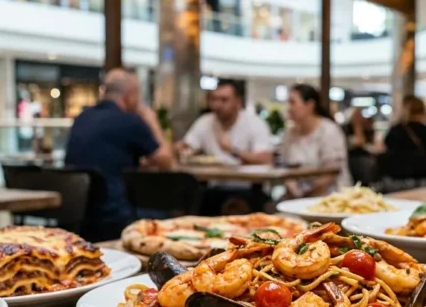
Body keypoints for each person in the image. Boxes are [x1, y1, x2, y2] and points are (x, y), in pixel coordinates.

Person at [64, 67, 174, 231]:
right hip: (115, 217)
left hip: (77, 214)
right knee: (172, 211)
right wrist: (152, 120)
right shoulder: (130, 121)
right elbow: (167, 162)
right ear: (129, 96)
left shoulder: (82, 117)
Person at [279, 84, 352, 199]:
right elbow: (285, 168)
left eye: (293, 102)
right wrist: (294, 191)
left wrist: (306, 196)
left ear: (310, 105)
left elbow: (331, 173)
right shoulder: (289, 134)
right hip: (296, 198)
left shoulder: (329, 131)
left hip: (330, 197)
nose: (289, 108)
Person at [177, 79, 273, 165]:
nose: (217, 105)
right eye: (214, 99)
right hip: (210, 178)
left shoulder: (255, 123)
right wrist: (181, 149)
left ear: (238, 103)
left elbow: (265, 159)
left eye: (224, 100)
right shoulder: (204, 121)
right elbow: (188, 147)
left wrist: (233, 151)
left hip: (246, 179)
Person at [382, 97, 426, 179]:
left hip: (393, 179)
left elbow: (384, 150)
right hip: (421, 178)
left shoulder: (394, 130)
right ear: (423, 111)